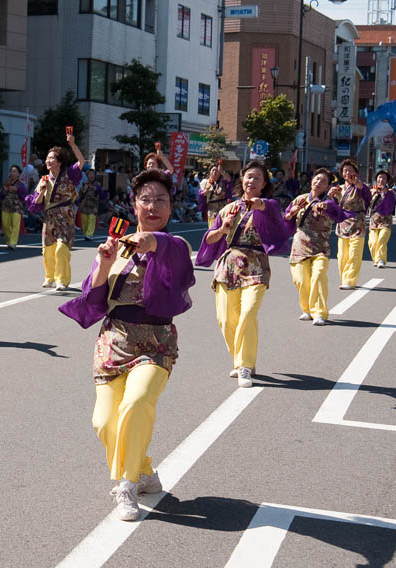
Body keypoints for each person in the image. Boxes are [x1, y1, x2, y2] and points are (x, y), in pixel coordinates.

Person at [58, 169, 195, 522]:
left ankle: (127, 484)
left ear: (170, 206)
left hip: (155, 343)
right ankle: (145, 468)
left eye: (161, 200)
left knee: (136, 402)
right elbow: (94, 299)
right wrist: (103, 264)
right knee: (104, 423)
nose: (153, 206)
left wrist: (151, 242)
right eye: (145, 199)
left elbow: (169, 255)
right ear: (133, 205)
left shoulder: (176, 246)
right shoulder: (117, 246)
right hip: (113, 343)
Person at [195, 160, 287, 387]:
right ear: (242, 180)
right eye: (248, 177)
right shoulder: (229, 208)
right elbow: (209, 239)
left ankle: (244, 365)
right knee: (226, 318)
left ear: (264, 183)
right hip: (229, 266)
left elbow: (278, 225)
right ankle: (241, 358)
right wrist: (223, 228)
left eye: (257, 178)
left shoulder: (270, 205)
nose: (252, 181)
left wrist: (261, 206)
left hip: (256, 266)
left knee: (248, 312)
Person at [283, 168, 345, 326]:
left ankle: (319, 312)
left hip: (321, 247)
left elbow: (337, 215)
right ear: (312, 181)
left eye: (323, 181)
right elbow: (286, 218)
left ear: (327, 186)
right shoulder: (300, 199)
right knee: (301, 280)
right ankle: (307, 309)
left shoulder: (330, 202)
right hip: (299, 244)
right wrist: (291, 214)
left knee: (318, 276)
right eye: (317, 179)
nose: (319, 182)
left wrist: (328, 204)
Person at [26, 134, 86, 291]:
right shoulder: (44, 179)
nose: (48, 160)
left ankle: (62, 280)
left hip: (65, 217)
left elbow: (81, 162)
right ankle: (50, 276)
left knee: (61, 248)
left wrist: (72, 143)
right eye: (47, 158)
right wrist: (41, 191)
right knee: (48, 250)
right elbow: (36, 203)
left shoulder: (69, 174)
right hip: (50, 218)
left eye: (52, 158)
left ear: (59, 162)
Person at [328, 159, 371, 290]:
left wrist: (359, 185)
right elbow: (333, 207)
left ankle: (350, 280)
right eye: (345, 170)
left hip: (357, 222)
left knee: (354, 253)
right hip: (343, 223)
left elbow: (368, 198)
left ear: (356, 172)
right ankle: (344, 278)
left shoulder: (361, 186)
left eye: (350, 170)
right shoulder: (339, 188)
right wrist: (331, 197)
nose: (347, 173)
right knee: (342, 255)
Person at [367, 170, 395, 268]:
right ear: (376, 179)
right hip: (374, 220)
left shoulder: (390, 192)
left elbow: (390, 206)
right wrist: (372, 195)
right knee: (372, 242)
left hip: (386, 220)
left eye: (384, 178)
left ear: (387, 181)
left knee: (382, 239)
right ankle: (376, 259)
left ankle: (381, 259)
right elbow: (366, 204)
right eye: (379, 177)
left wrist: (385, 193)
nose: (381, 179)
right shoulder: (371, 191)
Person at [0, 165, 27, 249]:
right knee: (5, 225)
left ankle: (13, 243)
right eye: (11, 171)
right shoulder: (6, 183)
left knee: (15, 225)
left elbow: (24, 194)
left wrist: (17, 190)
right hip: (6, 206)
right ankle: (9, 241)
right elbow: (0, 193)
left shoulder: (21, 184)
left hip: (16, 206)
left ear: (18, 174)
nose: (12, 173)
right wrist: (4, 191)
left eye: (15, 171)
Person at [77, 168, 105, 241]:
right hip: (84, 205)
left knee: (91, 219)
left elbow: (102, 195)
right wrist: (78, 202)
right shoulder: (84, 184)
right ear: (87, 176)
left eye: (93, 174)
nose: (92, 176)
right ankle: (86, 233)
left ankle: (89, 234)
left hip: (93, 205)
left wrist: (97, 189)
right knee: (85, 221)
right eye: (90, 174)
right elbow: (80, 195)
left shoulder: (97, 185)